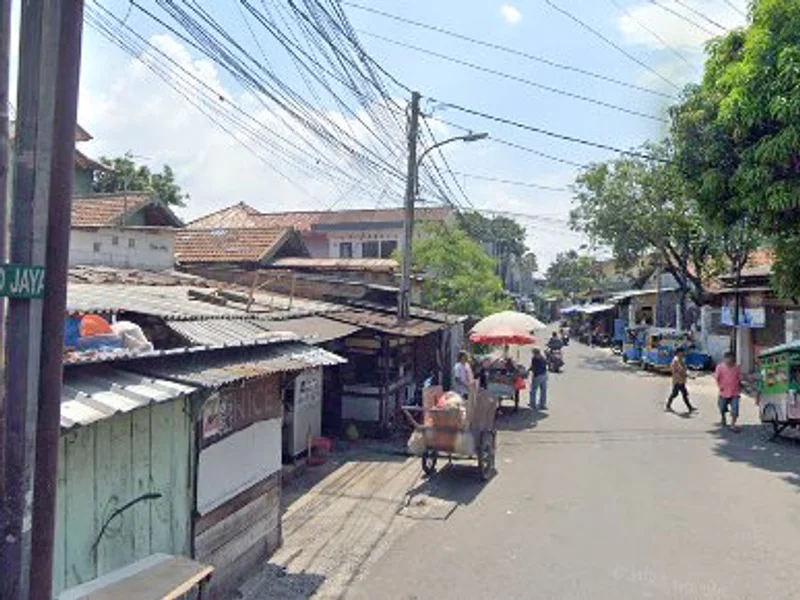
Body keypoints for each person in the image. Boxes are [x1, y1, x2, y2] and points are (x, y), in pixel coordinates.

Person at [714, 351, 742, 431]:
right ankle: (723, 418)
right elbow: (717, 378)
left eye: (732, 359)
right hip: (724, 392)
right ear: (725, 359)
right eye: (728, 359)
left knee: (735, 409)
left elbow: (739, 378)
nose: (730, 361)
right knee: (722, 407)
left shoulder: (737, 367)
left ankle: (733, 424)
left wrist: (741, 385)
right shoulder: (720, 367)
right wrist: (720, 386)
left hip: (735, 392)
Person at [666, 347, 697, 413]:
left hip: (681, 381)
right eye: (682, 352)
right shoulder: (676, 361)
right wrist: (689, 376)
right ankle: (668, 406)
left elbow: (684, 369)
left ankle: (690, 408)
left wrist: (689, 373)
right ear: (678, 353)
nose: (683, 353)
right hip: (677, 381)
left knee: (684, 394)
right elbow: (680, 371)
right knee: (675, 394)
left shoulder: (681, 359)